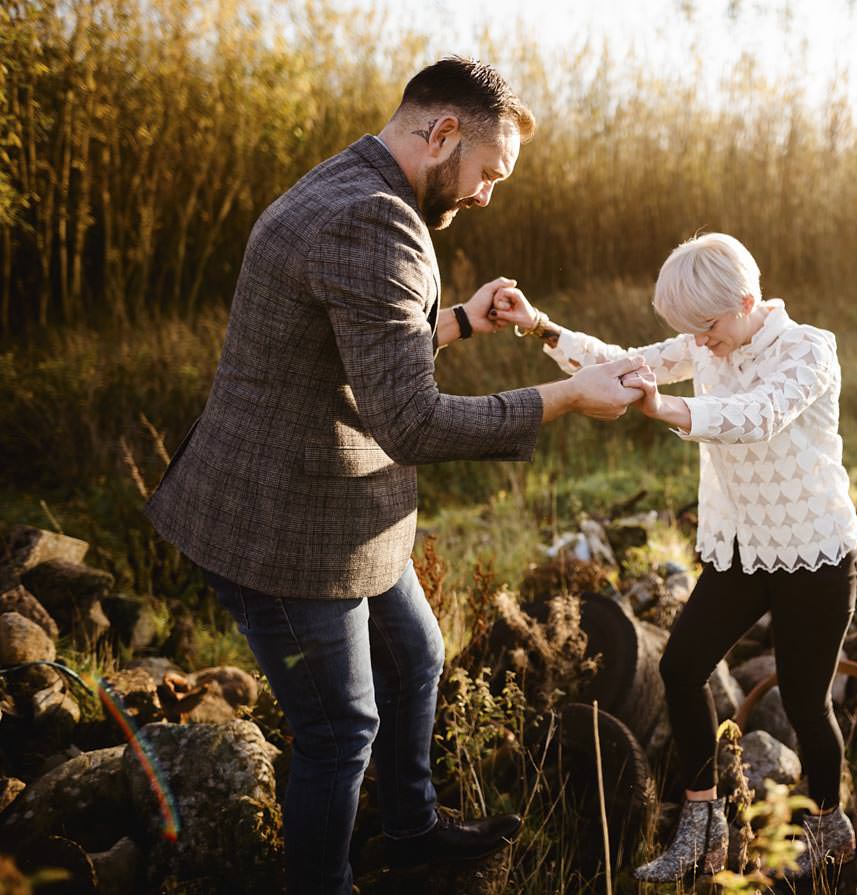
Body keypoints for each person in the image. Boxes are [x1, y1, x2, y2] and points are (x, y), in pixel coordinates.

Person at [144, 57, 647, 895]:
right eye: (489, 172)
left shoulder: (351, 179)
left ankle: (410, 826)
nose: (488, 194)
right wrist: (564, 396)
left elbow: (350, 346)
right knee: (341, 729)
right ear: (442, 132)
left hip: (340, 505)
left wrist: (457, 322)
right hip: (285, 529)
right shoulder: (374, 223)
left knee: (417, 654)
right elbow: (410, 420)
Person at [491, 232, 857, 882]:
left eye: (708, 327)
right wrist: (541, 327)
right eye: (691, 332)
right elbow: (622, 360)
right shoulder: (705, 338)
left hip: (814, 554)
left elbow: (759, 414)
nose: (702, 342)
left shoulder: (809, 349)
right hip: (744, 550)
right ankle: (705, 822)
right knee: (682, 664)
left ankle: (833, 825)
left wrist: (667, 407)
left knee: (808, 702)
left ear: (746, 300)